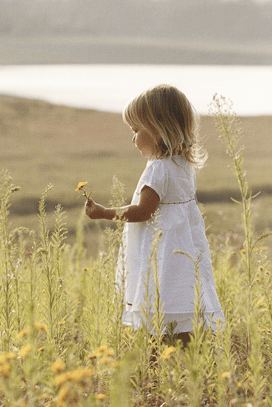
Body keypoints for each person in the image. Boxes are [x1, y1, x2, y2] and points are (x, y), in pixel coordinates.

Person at [85, 84, 224, 348]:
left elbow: (142, 212)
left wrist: (104, 213)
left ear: (158, 131)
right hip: (183, 253)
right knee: (182, 308)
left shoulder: (158, 170)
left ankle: (156, 372)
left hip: (161, 255)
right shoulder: (182, 165)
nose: (133, 138)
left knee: (156, 312)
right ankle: (189, 364)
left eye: (136, 130)